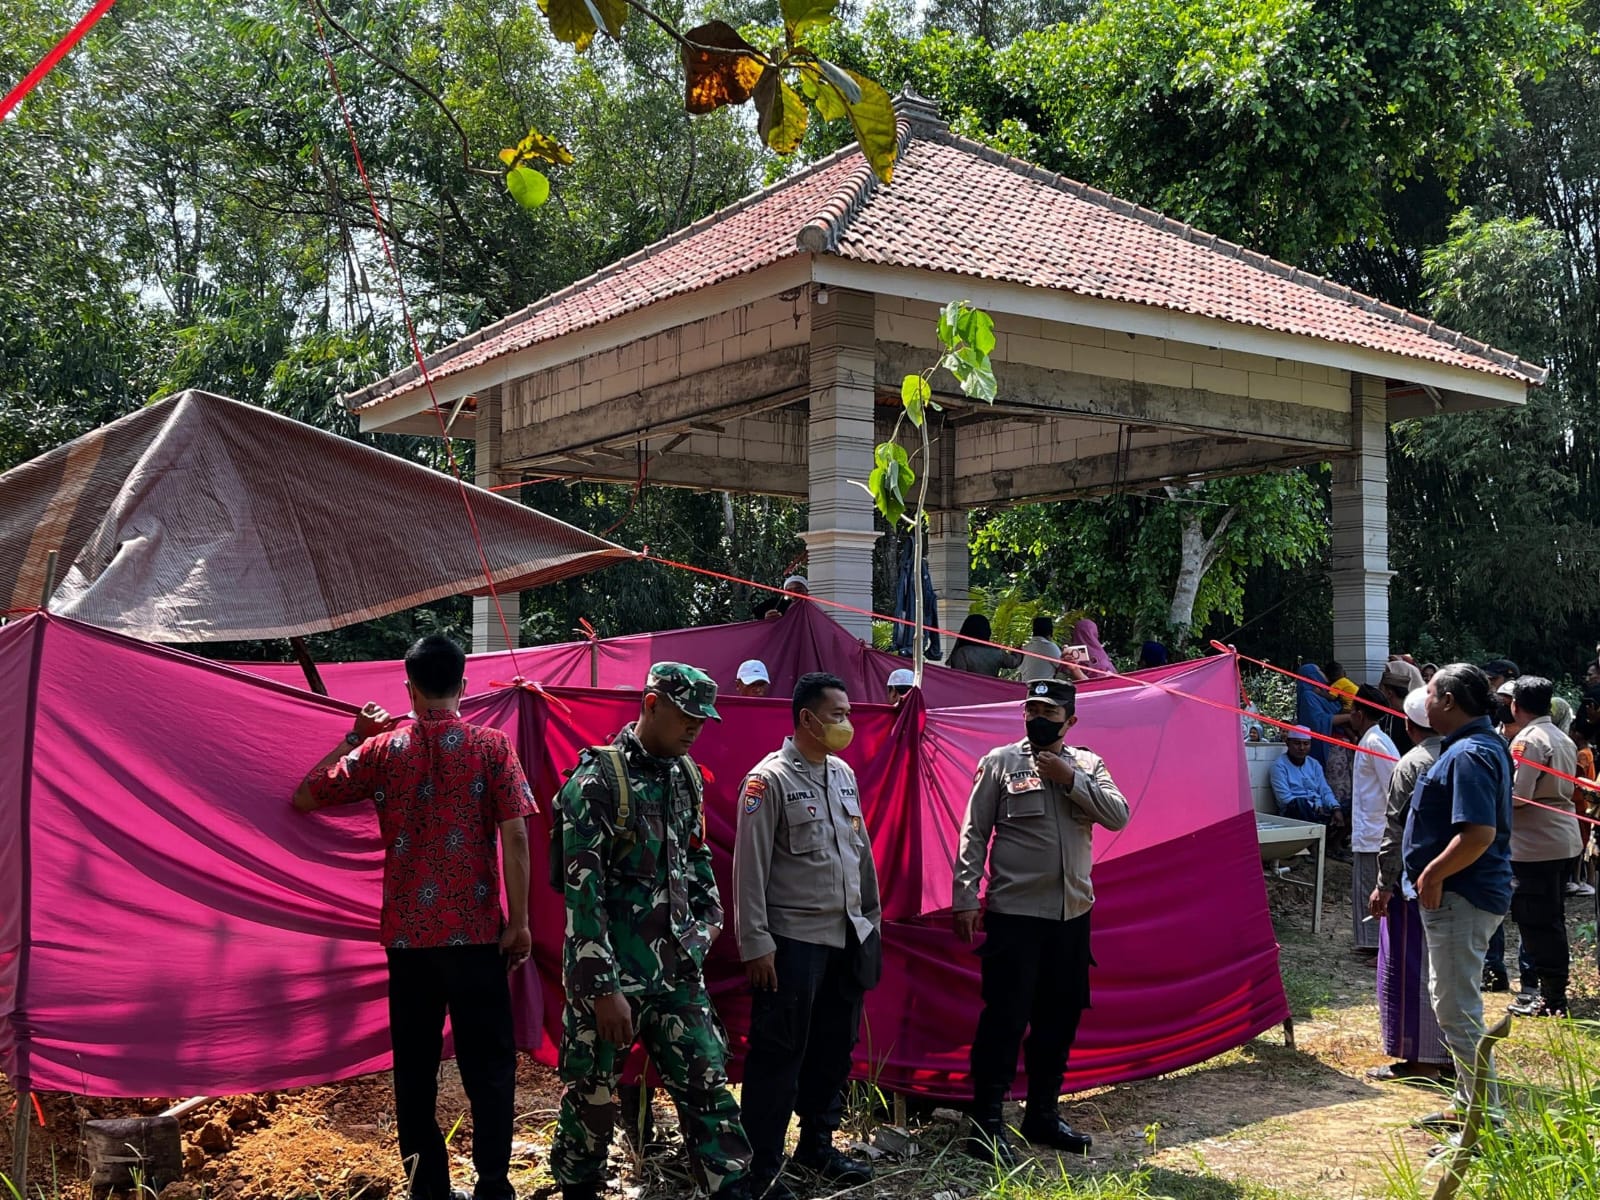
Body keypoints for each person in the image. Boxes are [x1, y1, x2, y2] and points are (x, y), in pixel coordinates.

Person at [292, 634, 534, 1200]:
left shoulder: (382, 751)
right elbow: (517, 835)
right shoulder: (492, 746)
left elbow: (306, 795)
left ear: (409, 688)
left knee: (416, 1072)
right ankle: (493, 1187)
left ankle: (428, 1191)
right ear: (463, 686)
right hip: (477, 936)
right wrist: (519, 922)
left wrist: (356, 734)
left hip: (409, 942)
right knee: (489, 1067)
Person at [550, 663, 753, 1200]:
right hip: (610, 977)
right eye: (686, 716)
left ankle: (731, 1188)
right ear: (651, 704)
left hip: (676, 972)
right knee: (592, 1099)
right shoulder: (598, 782)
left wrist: (708, 924)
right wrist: (603, 990)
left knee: (707, 1082)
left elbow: (695, 856)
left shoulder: (684, 776)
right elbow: (583, 896)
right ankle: (578, 1189)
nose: (694, 728)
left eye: (702, 720)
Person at [952, 678, 1131, 1164]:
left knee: (1060, 1018)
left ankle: (1043, 1114)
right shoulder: (1000, 762)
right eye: (1032, 710)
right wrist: (965, 896)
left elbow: (1118, 816)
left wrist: (1070, 779)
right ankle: (986, 1124)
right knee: (1005, 1018)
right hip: (1015, 915)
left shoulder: (1088, 765)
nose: (1038, 719)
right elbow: (973, 834)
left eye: (1049, 713)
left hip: (1072, 915)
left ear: (1070, 721)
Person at [734, 673, 882, 1199]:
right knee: (779, 1055)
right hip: (793, 941)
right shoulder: (767, 780)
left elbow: (860, 853)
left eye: (847, 713)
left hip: (847, 935)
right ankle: (761, 1168)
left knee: (834, 1050)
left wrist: (871, 921)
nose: (847, 723)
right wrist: (756, 943)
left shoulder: (842, 773)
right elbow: (748, 870)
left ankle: (817, 1145)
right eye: (838, 714)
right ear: (807, 719)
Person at [1404, 663, 1514, 1124]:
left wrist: (1432, 874)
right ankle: (1468, 1106)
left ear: (1448, 701)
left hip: (1460, 895)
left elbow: (1478, 834)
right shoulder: (1479, 745)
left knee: (1456, 1010)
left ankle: (1484, 1121)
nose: (1425, 702)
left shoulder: (1470, 753)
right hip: (1465, 894)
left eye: (1430, 693)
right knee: (1453, 1003)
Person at [1366, 688, 1450, 1084]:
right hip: (1460, 880)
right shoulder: (1467, 755)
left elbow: (1395, 830)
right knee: (1450, 970)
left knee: (1410, 967)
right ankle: (1451, 1055)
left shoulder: (1413, 763)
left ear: (1408, 725)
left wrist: (1384, 882)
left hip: (1415, 883)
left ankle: (1421, 1059)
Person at [1503, 676, 1582, 1018]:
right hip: (1561, 837)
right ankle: (1553, 992)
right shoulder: (1562, 737)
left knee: (1537, 922)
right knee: (1551, 919)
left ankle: (1552, 998)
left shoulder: (1528, 740)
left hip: (1535, 844)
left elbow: (1519, 796)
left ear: (1515, 705)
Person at [1348, 686, 1399, 951]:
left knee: (1375, 890)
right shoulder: (1369, 740)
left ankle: (1378, 947)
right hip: (1367, 830)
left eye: (1352, 711)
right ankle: (1371, 944)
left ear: (1359, 713)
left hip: (1376, 832)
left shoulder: (1376, 742)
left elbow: (1395, 788)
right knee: (1364, 887)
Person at [1268, 727, 1343, 828]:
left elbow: (1324, 790)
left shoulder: (1314, 764)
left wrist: (1335, 808)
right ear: (1288, 743)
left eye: (1306, 744)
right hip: (1294, 813)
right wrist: (1313, 806)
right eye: (1297, 743)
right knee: (1299, 804)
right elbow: (1284, 799)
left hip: (1318, 809)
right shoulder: (1279, 766)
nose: (1302, 748)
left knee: (1345, 808)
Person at [948, 614, 1023, 677]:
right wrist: (1018, 649)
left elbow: (959, 677)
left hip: (969, 689)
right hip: (991, 689)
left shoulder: (962, 653)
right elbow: (1014, 662)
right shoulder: (996, 652)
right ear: (987, 631)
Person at [1379, 659, 1426, 756]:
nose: (1379, 693)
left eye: (1381, 689)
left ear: (1389, 693)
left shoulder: (1415, 718)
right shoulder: (1385, 715)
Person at [1020, 615, 1063, 683]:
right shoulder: (1049, 647)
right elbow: (1063, 667)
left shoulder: (1025, 647)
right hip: (1044, 687)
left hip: (1025, 686)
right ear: (1050, 633)